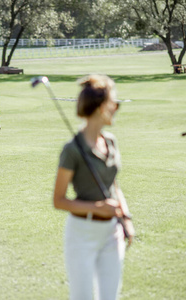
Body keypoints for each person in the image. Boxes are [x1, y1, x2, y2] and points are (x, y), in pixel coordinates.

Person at [53, 74, 135, 300]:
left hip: (112, 232)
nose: (117, 108)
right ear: (100, 107)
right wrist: (98, 207)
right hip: (82, 234)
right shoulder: (72, 150)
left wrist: (126, 218)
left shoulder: (111, 142)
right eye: (114, 103)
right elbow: (58, 200)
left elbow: (113, 185)